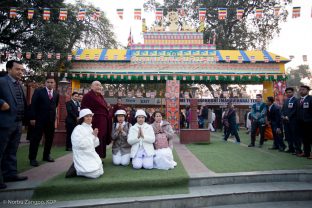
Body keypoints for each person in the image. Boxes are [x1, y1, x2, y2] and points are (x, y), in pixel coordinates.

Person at [0, 60, 28, 189]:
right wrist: (1, 103)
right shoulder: (2, 81)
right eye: (18, 69)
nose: (20, 72)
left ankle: (10, 174)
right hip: (4, 123)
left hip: (17, 123)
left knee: (12, 151)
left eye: (22, 70)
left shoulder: (20, 85)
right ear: (9, 69)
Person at [29, 76, 59, 167]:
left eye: (52, 82)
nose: (50, 84)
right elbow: (33, 105)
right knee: (36, 139)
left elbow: (55, 105)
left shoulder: (56, 94)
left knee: (49, 139)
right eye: (48, 82)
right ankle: (32, 158)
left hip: (50, 121)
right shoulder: (39, 92)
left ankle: (46, 156)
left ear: (54, 84)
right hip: (39, 120)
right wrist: (32, 118)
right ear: (45, 83)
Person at [81, 81, 112, 158]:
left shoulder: (100, 96)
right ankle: (95, 157)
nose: (99, 87)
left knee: (102, 138)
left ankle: (100, 156)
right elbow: (83, 109)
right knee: (96, 138)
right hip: (95, 121)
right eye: (97, 85)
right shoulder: (87, 96)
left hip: (103, 121)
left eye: (100, 85)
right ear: (91, 87)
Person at [70, 109, 104, 178]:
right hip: (82, 155)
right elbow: (80, 145)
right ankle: (77, 170)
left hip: (90, 153)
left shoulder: (90, 128)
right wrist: (92, 136)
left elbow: (95, 144)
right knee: (95, 174)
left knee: (100, 171)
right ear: (82, 118)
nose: (89, 118)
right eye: (87, 116)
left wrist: (95, 136)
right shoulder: (78, 129)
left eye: (90, 116)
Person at [281, 87, 300, 154]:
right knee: (288, 135)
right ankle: (290, 148)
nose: (288, 94)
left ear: (293, 92)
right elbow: (282, 110)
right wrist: (283, 116)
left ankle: (297, 150)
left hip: (293, 121)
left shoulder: (296, 100)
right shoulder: (286, 101)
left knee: (294, 136)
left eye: (290, 92)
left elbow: (295, 110)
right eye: (287, 92)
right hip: (286, 122)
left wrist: (288, 117)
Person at [296, 85, 312, 159]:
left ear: (308, 91)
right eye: (300, 89)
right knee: (304, 139)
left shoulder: (310, 99)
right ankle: (306, 152)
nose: (301, 91)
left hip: (309, 123)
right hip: (301, 123)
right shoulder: (298, 100)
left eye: (303, 89)